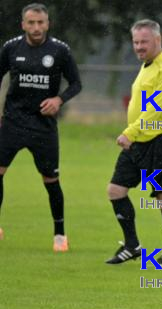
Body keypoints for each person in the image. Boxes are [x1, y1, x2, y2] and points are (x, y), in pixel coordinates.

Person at [0, 3, 81, 250]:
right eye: (31, 23)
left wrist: (59, 100)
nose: (36, 27)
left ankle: (60, 235)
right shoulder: (11, 48)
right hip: (12, 122)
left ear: (48, 24)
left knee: (50, 180)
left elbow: (76, 84)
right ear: (23, 24)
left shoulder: (59, 51)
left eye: (41, 22)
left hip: (43, 126)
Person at [105, 20, 162, 265]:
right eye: (136, 42)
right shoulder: (146, 66)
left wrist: (130, 131)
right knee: (115, 190)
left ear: (157, 40)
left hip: (160, 141)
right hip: (139, 142)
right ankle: (132, 246)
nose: (139, 47)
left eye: (144, 42)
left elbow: (158, 108)